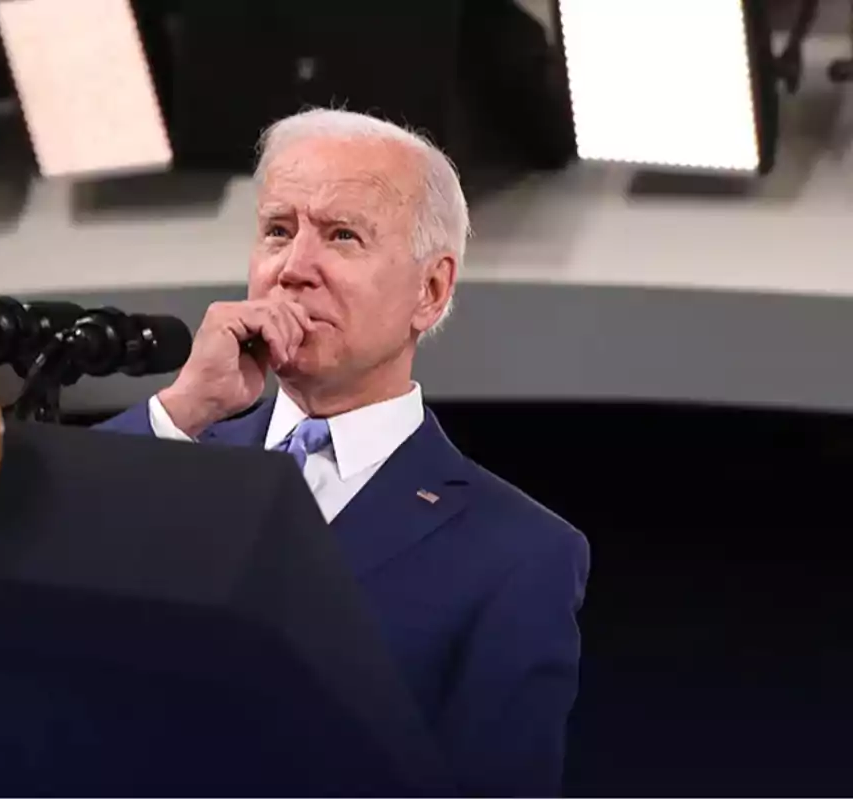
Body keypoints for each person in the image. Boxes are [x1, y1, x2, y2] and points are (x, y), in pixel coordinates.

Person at [96, 108, 590, 797]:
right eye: (277, 231)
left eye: (342, 235)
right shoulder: (174, 454)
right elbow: (34, 553)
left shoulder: (518, 555)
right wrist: (183, 407)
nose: (294, 268)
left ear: (432, 289)